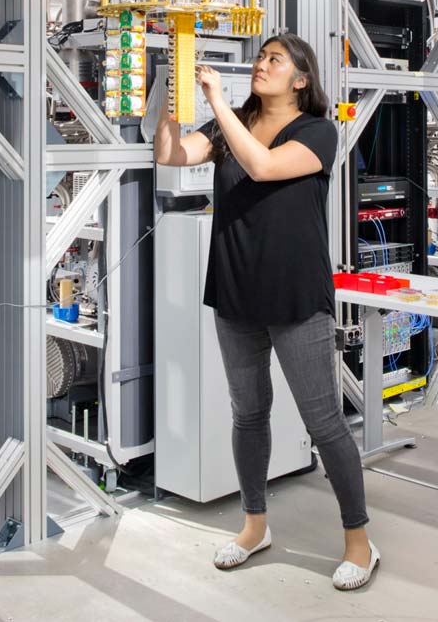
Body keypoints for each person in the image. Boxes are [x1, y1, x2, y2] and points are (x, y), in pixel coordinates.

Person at [153, 33, 379, 591]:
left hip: (294, 294)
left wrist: (216, 103)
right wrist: (167, 99)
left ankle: (359, 543)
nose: (261, 65)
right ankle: (254, 526)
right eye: (261, 57)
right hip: (235, 290)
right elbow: (171, 155)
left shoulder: (317, 131)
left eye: (274, 60)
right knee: (247, 412)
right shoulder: (231, 126)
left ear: (300, 80)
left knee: (323, 421)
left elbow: (263, 168)